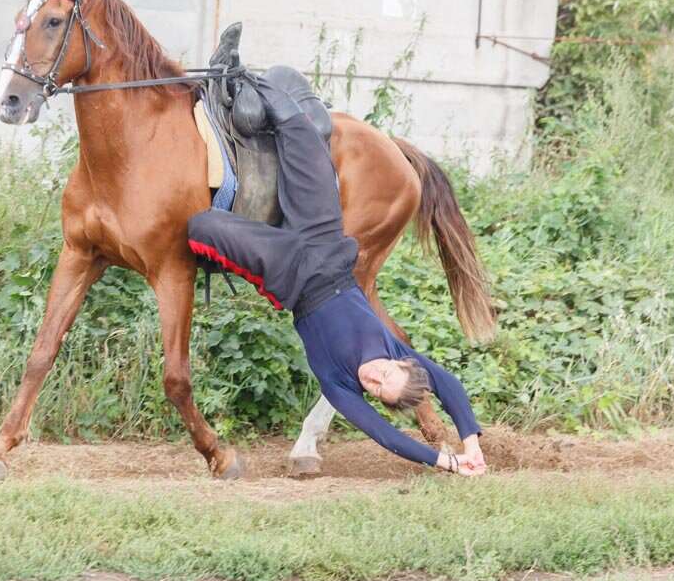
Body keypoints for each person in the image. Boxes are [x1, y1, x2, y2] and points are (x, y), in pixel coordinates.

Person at [188, 77, 487, 476]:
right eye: (386, 375)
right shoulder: (398, 353)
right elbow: (449, 385)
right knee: (297, 126)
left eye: (378, 390)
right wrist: (470, 443)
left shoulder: (343, 388)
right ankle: (236, 79)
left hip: (290, 272)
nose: (376, 378)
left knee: (201, 226)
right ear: (400, 365)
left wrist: (444, 461)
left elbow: (386, 435)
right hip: (326, 238)